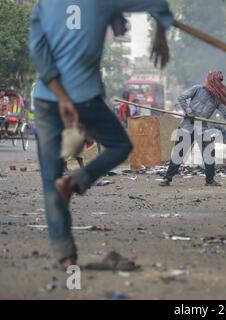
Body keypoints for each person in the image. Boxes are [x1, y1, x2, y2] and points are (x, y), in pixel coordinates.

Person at [29, 0, 173, 269]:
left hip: (47, 98)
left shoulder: (43, 5)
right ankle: (75, 182)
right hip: (84, 98)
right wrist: (161, 34)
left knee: (50, 181)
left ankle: (67, 259)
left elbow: (38, 52)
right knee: (119, 145)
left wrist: (60, 96)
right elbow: (158, 3)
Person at [159, 71, 226, 187]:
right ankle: (167, 179)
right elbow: (181, 98)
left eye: (220, 82)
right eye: (216, 81)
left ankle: (209, 180)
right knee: (179, 154)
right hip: (187, 125)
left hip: (203, 128)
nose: (218, 83)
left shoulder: (217, 99)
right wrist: (189, 112)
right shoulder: (197, 89)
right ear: (211, 80)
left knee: (209, 153)